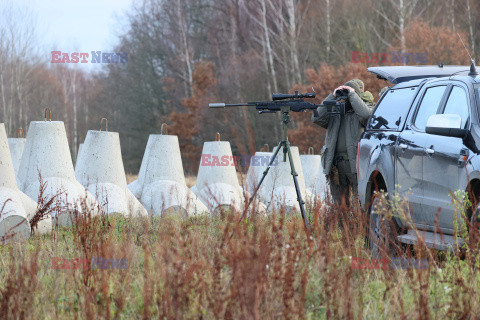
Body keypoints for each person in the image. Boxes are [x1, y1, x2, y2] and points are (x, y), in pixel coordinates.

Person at [311, 79, 374, 205]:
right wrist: (332, 96)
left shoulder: (368, 106)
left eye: (349, 91)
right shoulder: (336, 109)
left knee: (361, 203)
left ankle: (359, 225)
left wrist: (352, 95)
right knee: (339, 206)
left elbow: (367, 116)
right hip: (336, 164)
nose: (345, 95)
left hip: (357, 163)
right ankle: (341, 225)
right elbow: (316, 118)